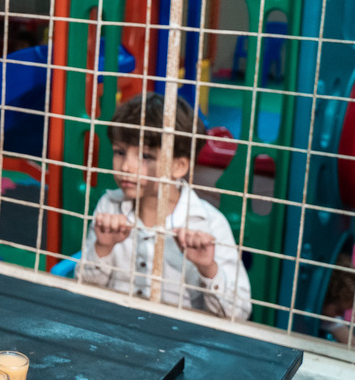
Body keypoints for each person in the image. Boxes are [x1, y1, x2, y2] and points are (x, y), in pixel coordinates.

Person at [76, 93, 252, 320]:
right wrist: (103, 248)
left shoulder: (210, 223)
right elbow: (83, 291)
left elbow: (239, 314)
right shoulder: (110, 205)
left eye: (145, 156)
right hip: (114, 329)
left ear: (179, 166)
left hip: (183, 341)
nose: (126, 166)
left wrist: (209, 268)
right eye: (120, 152)